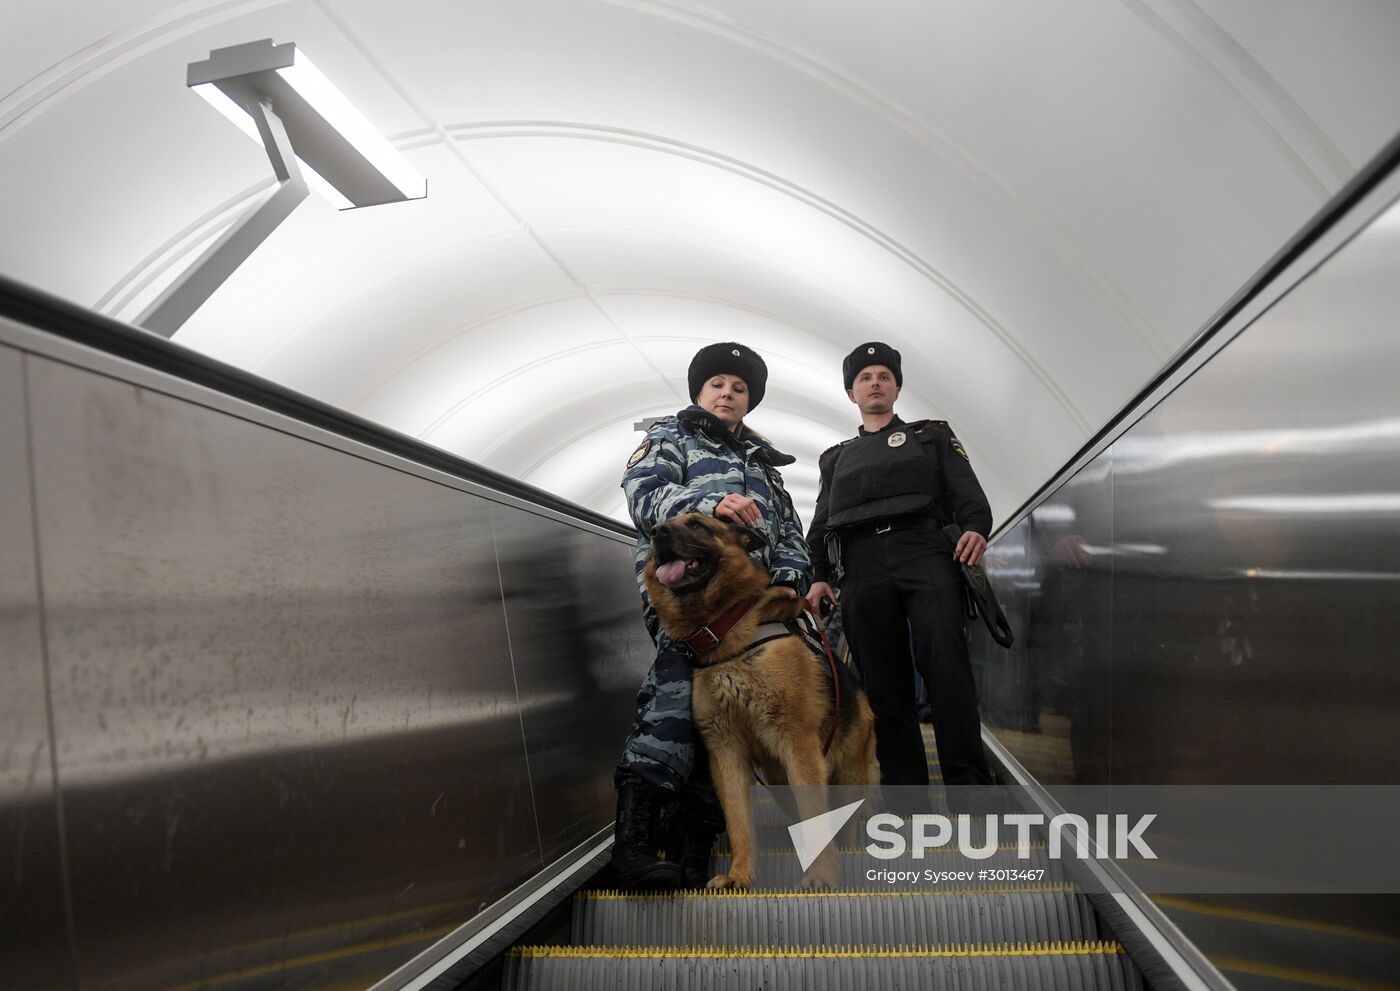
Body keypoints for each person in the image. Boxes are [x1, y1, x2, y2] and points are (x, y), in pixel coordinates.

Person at [613, 342, 811, 889]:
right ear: (700, 392)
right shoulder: (669, 438)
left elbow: (788, 534)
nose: (728, 393)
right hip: (686, 600)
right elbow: (643, 496)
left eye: (739, 388)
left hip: (753, 611)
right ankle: (632, 845)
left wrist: (794, 579)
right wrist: (710, 505)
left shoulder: (765, 468)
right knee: (673, 708)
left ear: (749, 401)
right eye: (718, 384)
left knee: (728, 727)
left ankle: (693, 848)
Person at [804, 342, 995, 797]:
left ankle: (971, 793)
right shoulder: (836, 457)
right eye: (865, 378)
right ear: (852, 393)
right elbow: (821, 521)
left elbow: (968, 493)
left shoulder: (932, 436)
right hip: (862, 565)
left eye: (884, 376)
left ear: (897, 388)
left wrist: (975, 528)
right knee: (884, 689)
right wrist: (818, 574)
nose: (875, 383)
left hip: (926, 554)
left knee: (947, 673)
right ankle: (906, 798)